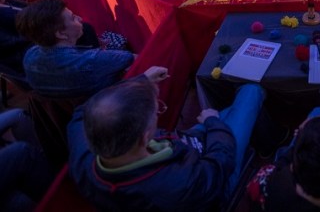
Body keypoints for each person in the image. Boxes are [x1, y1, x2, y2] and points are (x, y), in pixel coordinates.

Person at [68, 76, 265, 211]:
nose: (157, 113)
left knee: (231, 113)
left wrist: (141, 81)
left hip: (184, 148)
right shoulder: (178, 185)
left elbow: (81, 112)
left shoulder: (83, 157)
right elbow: (220, 162)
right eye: (156, 112)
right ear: (145, 137)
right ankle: (270, 144)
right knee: (251, 92)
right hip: (214, 177)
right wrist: (213, 122)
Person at [15, 0, 135, 98]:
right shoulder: (91, 61)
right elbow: (129, 58)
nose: (80, 18)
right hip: (105, 102)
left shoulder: (29, 56)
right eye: (73, 18)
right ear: (60, 34)